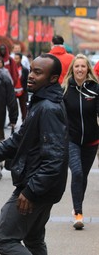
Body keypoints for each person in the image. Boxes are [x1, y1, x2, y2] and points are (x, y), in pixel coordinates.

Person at [0, 53, 69, 255]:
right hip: (41, 186)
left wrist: (30, 191)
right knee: (33, 239)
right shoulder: (42, 102)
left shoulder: (48, 108)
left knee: (5, 240)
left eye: (38, 72)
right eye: (32, 70)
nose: (31, 76)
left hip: (36, 187)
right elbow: (17, 141)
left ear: (52, 79)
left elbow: (55, 159)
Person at [61, 54, 99, 230]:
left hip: (92, 141)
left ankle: (77, 206)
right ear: (72, 69)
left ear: (88, 69)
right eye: (77, 66)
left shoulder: (95, 88)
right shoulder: (65, 89)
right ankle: (78, 212)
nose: (80, 69)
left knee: (82, 176)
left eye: (83, 66)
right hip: (72, 140)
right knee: (76, 172)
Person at [13, 52, 30, 121]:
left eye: (17, 59)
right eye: (15, 58)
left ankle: (24, 119)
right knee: (13, 107)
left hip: (22, 90)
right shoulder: (12, 69)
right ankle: (13, 120)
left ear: (20, 59)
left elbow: (26, 80)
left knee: (23, 107)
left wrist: (26, 89)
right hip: (13, 90)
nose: (15, 60)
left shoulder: (25, 70)